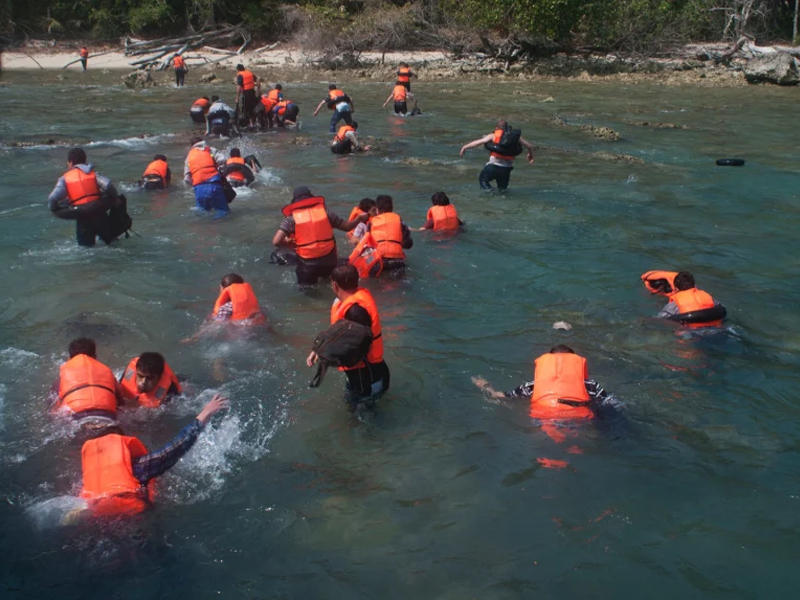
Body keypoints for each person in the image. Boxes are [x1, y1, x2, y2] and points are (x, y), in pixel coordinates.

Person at [77, 394, 228, 517]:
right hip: (134, 519)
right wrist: (205, 412)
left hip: (97, 521)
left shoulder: (87, 485)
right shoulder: (138, 468)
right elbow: (176, 448)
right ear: (122, 444)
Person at [307, 265, 390, 410]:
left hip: (369, 377)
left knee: (363, 417)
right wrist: (318, 349)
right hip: (362, 375)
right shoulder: (346, 302)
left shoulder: (355, 311)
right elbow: (339, 332)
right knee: (353, 408)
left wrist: (325, 357)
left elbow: (352, 349)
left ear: (334, 284)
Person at [472, 345, 609, 421]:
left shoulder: (533, 386)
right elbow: (608, 404)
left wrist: (486, 386)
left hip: (545, 421)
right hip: (580, 422)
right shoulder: (591, 385)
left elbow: (501, 396)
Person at [272, 186, 367, 286]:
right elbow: (347, 227)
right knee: (329, 283)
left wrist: (289, 243)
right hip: (329, 262)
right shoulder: (326, 212)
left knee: (307, 290)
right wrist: (359, 218)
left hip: (307, 264)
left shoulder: (291, 219)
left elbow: (276, 241)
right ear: (310, 198)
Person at [48, 147, 124, 247]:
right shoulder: (93, 174)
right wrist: (115, 198)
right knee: (110, 243)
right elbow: (108, 185)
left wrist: (54, 209)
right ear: (85, 160)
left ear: (70, 162)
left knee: (86, 248)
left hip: (82, 215)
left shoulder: (65, 179)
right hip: (99, 211)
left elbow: (53, 198)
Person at [52, 337, 122, 428]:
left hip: (78, 417)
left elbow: (53, 404)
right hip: (107, 416)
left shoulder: (64, 375)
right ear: (95, 357)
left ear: (70, 358)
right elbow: (121, 401)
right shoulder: (107, 371)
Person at [460, 119, 535, 192]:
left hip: (493, 166)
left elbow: (479, 142)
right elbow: (529, 146)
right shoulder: (515, 137)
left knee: (483, 180)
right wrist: (530, 155)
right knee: (502, 190)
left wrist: (465, 147)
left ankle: (489, 193)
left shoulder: (493, 135)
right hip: (506, 170)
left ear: (496, 128)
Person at [656, 271, 726, 327]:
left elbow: (660, 319)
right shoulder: (708, 297)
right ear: (694, 285)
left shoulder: (673, 306)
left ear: (676, 289)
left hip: (692, 335)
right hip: (716, 329)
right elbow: (721, 309)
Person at [367, 195, 413, 274]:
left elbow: (366, 244)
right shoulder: (399, 221)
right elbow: (408, 244)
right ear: (392, 208)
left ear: (377, 210)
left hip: (378, 260)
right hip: (396, 260)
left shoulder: (371, 223)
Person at [184, 137, 231, 214]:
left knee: (202, 213)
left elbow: (186, 179)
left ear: (192, 146)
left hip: (199, 189)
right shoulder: (210, 150)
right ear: (203, 142)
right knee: (223, 212)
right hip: (214, 185)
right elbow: (222, 160)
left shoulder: (188, 157)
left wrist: (196, 186)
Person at [235, 64, 260, 128]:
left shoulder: (240, 75)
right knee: (252, 107)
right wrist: (258, 90)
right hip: (252, 92)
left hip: (246, 93)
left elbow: (239, 87)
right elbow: (257, 81)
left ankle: (249, 123)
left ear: (238, 69)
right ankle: (253, 122)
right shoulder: (250, 73)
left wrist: (237, 97)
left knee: (246, 108)